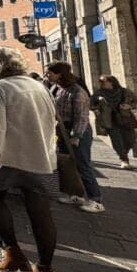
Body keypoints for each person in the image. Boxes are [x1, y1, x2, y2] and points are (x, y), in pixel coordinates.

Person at [0, 48, 59, 272]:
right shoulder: (37, 86)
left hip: (10, 158)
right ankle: (44, 268)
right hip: (40, 159)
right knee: (41, 212)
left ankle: (13, 250)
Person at [46, 62, 104, 213]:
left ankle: (96, 199)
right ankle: (75, 194)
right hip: (62, 130)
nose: (48, 75)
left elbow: (82, 117)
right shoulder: (57, 88)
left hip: (78, 132)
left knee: (83, 164)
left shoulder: (77, 92)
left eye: (50, 73)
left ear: (60, 73)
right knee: (68, 164)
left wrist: (76, 136)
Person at [92, 75, 137, 169]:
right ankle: (124, 159)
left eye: (103, 81)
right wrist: (96, 109)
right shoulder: (99, 93)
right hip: (109, 120)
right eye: (100, 82)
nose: (101, 83)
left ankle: (123, 153)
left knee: (131, 140)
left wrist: (129, 106)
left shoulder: (124, 91)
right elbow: (91, 104)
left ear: (111, 82)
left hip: (125, 118)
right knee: (117, 140)